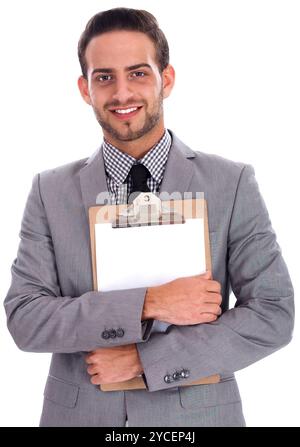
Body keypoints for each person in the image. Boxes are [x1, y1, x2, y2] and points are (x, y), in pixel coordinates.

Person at [4, 7, 294, 427]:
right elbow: (26, 319)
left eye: (138, 73)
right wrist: (150, 302)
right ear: (86, 89)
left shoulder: (231, 182)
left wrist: (144, 361)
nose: (122, 93)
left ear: (167, 79)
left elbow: (273, 314)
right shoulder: (50, 191)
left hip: (196, 419)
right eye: (105, 77)